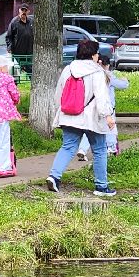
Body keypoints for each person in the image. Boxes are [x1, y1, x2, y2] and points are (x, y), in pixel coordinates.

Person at [46, 40, 117, 197]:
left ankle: (54, 176)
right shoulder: (97, 72)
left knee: (68, 147)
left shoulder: (68, 69)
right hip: (91, 118)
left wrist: (60, 109)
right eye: (96, 53)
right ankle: (101, 186)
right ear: (93, 55)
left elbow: (59, 93)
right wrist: (108, 116)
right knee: (99, 150)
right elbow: (102, 97)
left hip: (70, 115)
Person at [78, 54, 126, 161]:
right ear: (107, 65)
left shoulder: (91, 75)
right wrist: (125, 80)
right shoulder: (109, 76)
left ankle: (82, 149)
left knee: (90, 129)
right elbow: (123, 85)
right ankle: (111, 148)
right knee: (111, 129)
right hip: (108, 109)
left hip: (93, 108)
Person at [4, 3, 35, 71]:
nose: (23, 12)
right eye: (22, 10)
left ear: (28, 12)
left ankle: (31, 81)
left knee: (30, 70)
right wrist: (9, 48)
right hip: (18, 52)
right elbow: (8, 37)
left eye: (25, 10)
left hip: (29, 52)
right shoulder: (14, 22)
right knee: (17, 71)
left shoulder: (31, 21)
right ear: (19, 10)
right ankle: (15, 81)